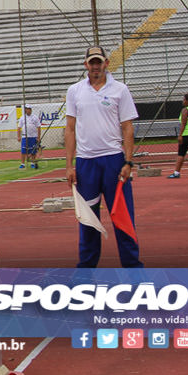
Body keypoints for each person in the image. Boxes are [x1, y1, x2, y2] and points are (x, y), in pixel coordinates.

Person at [65, 46, 143, 268]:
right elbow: (70, 129)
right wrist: (69, 165)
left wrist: (128, 161)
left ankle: (132, 267)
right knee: (88, 219)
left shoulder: (120, 89)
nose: (96, 66)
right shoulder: (75, 91)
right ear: (85, 65)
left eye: (99, 62)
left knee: (122, 215)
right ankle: (87, 269)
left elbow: (127, 128)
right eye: (92, 62)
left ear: (107, 63)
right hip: (86, 163)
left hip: (113, 160)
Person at [17, 104, 41, 169]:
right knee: (23, 150)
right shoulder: (22, 117)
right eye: (26, 109)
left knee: (33, 150)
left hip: (33, 136)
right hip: (25, 136)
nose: (27, 110)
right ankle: (22, 164)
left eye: (28, 109)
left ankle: (32, 163)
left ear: (30, 110)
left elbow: (38, 127)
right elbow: (19, 127)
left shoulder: (35, 117)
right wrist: (18, 136)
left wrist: (38, 137)